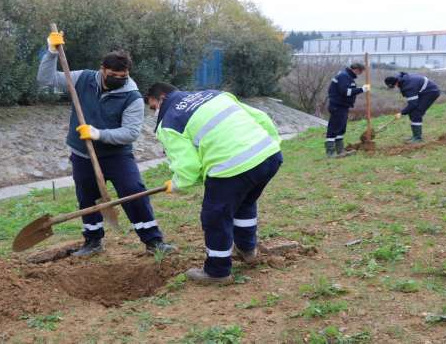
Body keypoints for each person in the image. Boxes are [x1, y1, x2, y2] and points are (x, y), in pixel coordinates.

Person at [36, 31, 175, 256]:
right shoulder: (82, 79)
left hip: (117, 156)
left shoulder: (132, 97)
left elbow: (130, 133)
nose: (118, 79)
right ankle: (92, 242)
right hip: (83, 155)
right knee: (87, 197)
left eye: (123, 76)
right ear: (102, 69)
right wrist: (51, 52)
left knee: (133, 191)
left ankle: (153, 241)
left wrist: (98, 134)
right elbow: (46, 80)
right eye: (113, 75)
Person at [145, 83, 283, 285]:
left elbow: (188, 166)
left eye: (152, 106)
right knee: (244, 203)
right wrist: (271, 144)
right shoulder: (214, 94)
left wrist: (176, 185)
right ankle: (247, 250)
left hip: (232, 168)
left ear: (162, 98)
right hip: (269, 156)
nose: (154, 112)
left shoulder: (169, 122)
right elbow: (261, 118)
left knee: (215, 217)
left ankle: (217, 272)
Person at [325, 63, 371, 157]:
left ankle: (340, 151)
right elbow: (346, 92)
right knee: (334, 128)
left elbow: (349, 90)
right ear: (356, 69)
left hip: (343, 106)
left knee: (341, 129)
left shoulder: (347, 76)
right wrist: (362, 89)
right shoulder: (344, 76)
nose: (360, 74)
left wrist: (360, 89)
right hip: (337, 106)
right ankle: (330, 152)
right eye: (360, 72)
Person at [384, 72, 441, 143]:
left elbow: (413, 104)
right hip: (424, 91)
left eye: (394, 86)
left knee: (416, 113)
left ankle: (417, 138)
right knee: (412, 112)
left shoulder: (408, 87)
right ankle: (415, 136)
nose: (396, 87)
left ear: (396, 83)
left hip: (431, 92)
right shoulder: (400, 78)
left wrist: (401, 113)